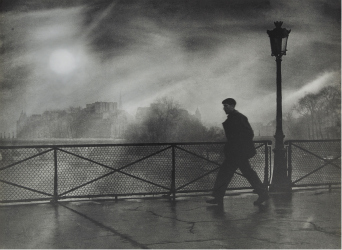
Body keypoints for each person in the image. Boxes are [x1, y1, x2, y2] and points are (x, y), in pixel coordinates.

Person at [206, 98, 269, 206]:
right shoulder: (237, 118)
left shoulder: (239, 118)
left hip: (237, 152)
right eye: (224, 106)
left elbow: (249, 134)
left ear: (232, 106)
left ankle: (218, 197)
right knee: (243, 173)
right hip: (237, 152)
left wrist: (237, 145)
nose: (224, 108)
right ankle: (262, 193)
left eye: (226, 106)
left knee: (226, 173)